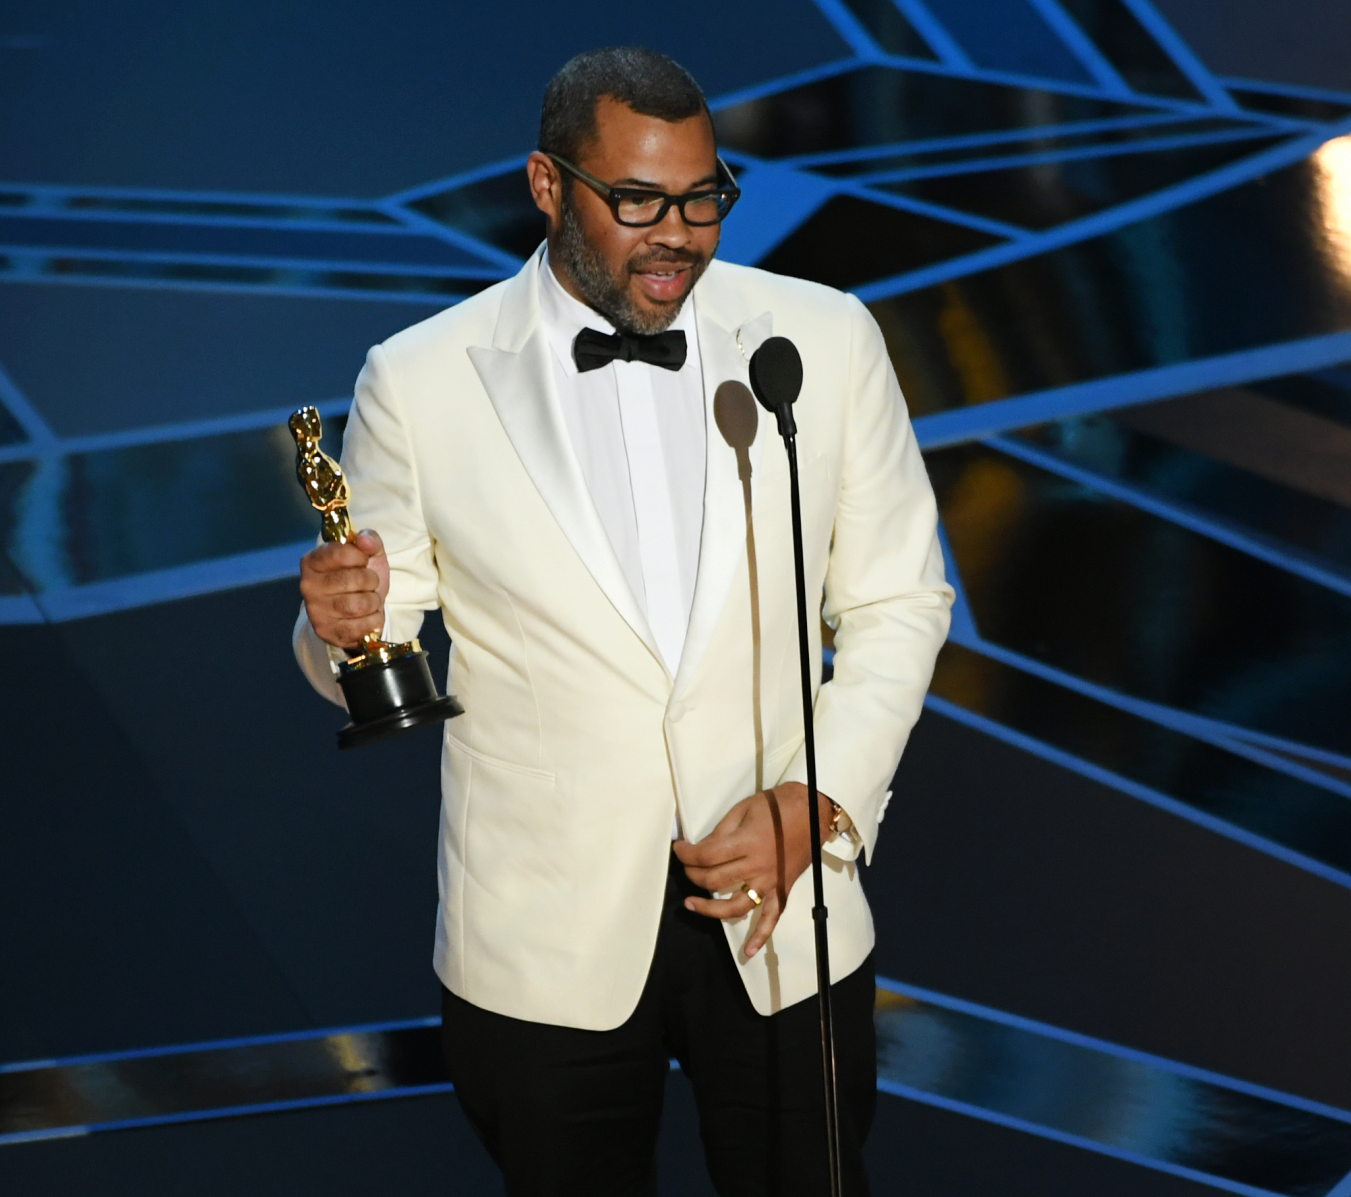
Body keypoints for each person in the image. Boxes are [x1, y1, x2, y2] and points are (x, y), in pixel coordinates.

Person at [293, 46, 952, 1197]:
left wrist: (820, 801)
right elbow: (375, 636)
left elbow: (900, 600)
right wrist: (338, 629)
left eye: (704, 199)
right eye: (638, 201)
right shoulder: (421, 378)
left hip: (778, 899)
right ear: (548, 187)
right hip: (543, 934)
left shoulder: (824, 339)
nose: (680, 235)